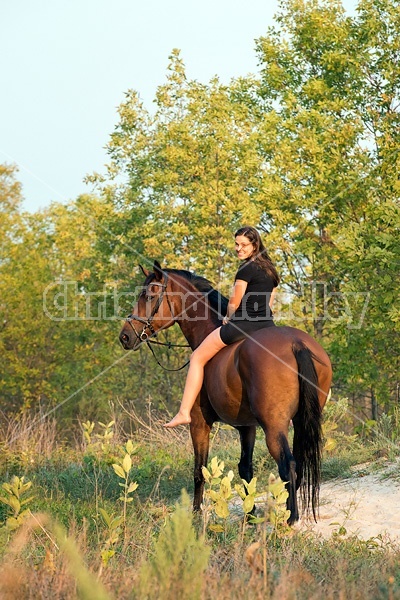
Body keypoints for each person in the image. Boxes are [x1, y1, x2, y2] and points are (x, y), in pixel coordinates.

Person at [163, 226, 280, 428]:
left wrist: (227, 318)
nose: (238, 248)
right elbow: (270, 304)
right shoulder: (271, 270)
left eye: (244, 245)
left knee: (197, 358)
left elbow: (234, 302)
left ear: (255, 245)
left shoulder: (245, 270)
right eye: (236, 244)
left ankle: (183, 412)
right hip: (267, 327)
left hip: (243, 326)